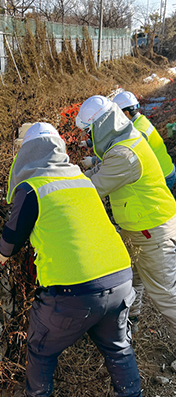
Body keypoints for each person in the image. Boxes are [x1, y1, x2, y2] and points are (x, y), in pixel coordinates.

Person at [0, 122, 142, 397]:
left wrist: (1, 253)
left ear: (26, 153)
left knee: (40, 350)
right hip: (120, 278)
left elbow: (11, 242)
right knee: (119, 349)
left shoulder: (31, 188)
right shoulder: (82, 180)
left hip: (73, 292)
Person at [76, 95, 176, 334]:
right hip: (141, 227)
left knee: (166, 297)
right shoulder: (125, 141)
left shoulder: (124, 155)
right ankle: (132, 323)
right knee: (133, 280)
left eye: (89, 132)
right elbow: (99, 169)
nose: (87, 139)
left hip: (151, 230)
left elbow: (92, 190)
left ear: (100, 127)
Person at [112, 91, 176, 190]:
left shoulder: (138, 131)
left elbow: (125, 153)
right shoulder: (140, 121)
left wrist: (94, 161)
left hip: (163, 176)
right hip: (166, 169)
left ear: (126, 114)